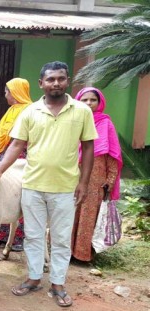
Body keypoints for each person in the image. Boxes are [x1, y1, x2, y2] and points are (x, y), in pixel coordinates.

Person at [0, 61, 97, 308]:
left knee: (60, 238)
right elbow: (16, 145)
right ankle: (34, 278)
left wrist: (84, 182)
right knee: (33, 235)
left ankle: (58, 283)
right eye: (50, 79)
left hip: (66, 186)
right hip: (33, 184)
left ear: (67, 80)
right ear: (41, 84)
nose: (55, 83)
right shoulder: (30, 112)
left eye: (60, 78)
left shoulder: (81, 111)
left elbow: (89, 147)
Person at [71, 87, 122, 262]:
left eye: (93, 100)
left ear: (100, 103)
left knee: (88, 214)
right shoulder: (73, 121)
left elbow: (113, 154)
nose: (88, 103)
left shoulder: (105, 123)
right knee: (69, 211)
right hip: (72, 174)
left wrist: (110, 179)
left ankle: (82, 254)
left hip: (96, 177)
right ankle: (64, 252)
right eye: (84, 100)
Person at [0, 78, 33, 251]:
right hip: (5, 158)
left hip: (21, 160)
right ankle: (1, 234)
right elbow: (1, 141)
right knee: (3, 195)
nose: (5, 95)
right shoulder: (11, 111)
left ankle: (18, 238)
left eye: (7, 91)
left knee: (18, 195)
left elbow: (22, 141)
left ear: (16, 92)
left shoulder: (29, 112)